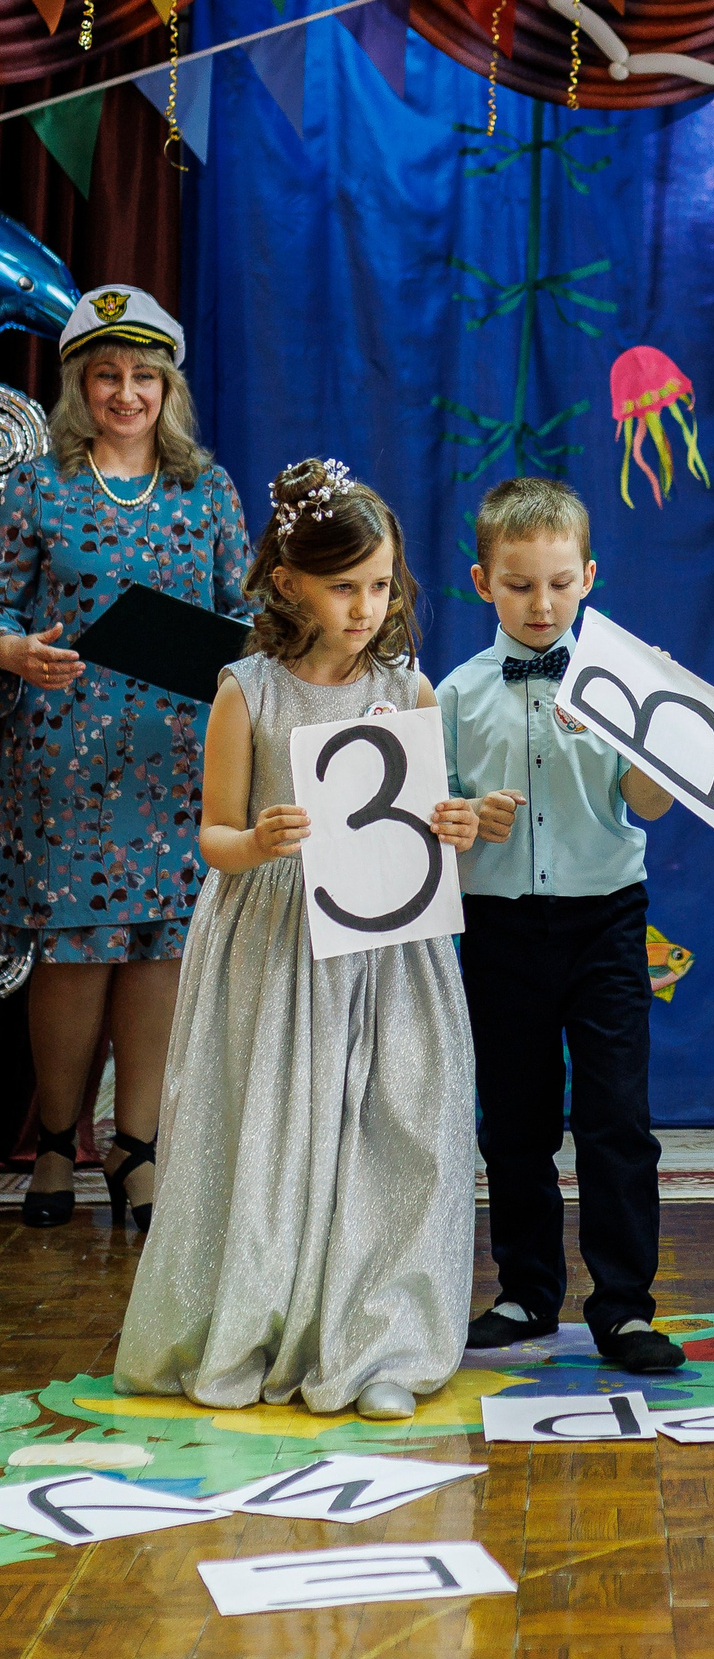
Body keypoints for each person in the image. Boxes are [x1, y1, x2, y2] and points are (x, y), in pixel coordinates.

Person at [116, 459, 480, 1420]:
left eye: (381, 586)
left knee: (392, 1132)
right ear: (288, 582)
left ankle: (381, 1342)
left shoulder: (410, 690)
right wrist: (257, 841)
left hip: (390, 949)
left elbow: (426, 826)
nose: (366, 608)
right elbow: (214, 832)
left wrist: (454, 826)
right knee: (278, 1132)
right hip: (278, 940)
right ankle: (263, 1321)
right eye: (344, 586)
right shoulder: (248, 691)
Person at [0, 287, 250, 1230]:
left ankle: (135, 1145)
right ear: (79, 384)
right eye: (107, 374)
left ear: (169, 387)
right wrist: (14, 651)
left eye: (145, 375)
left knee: (160, 948)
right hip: (63, 760)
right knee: (72, 955)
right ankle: (56, 1141)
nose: (126, 392)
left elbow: (244, 618)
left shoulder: (207, 490)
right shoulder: (37, 487)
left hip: (177, 763)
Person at [439, 477, 682, 1375]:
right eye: (518, 585)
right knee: (514, 1119)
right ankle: (526, 1291)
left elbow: (647, 803)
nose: (540, 603)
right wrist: (468, 818)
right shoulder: (454, 695)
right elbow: (431, 826)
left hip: (606, 921)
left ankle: (623, 1306)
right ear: (483, 583)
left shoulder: (621, 684)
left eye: (558, 583)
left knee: (617, 1116)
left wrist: (655, 730)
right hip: (498, 925)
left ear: (588, 577)